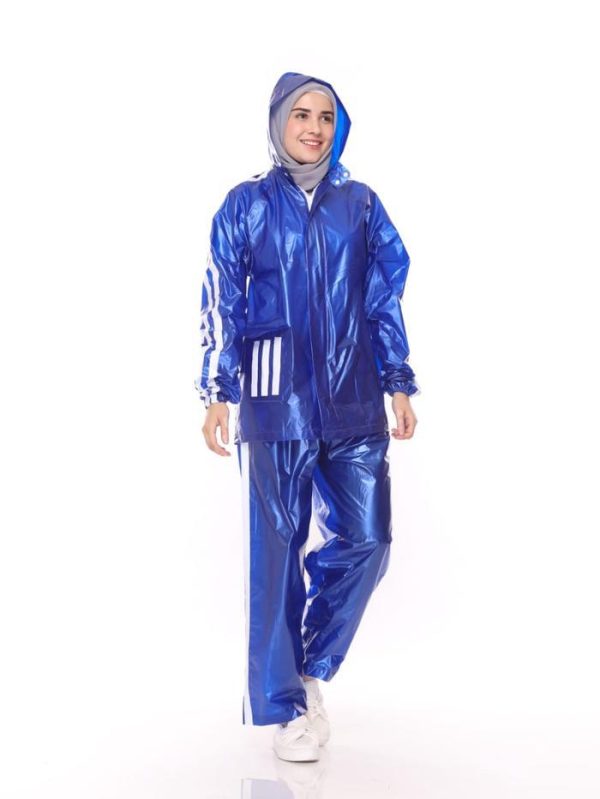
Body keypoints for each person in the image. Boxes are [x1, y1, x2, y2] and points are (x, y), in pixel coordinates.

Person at [194, 71, 420, 762]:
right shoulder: (246, 205)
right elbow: (221, 296)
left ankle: (308, 666)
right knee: (275, 554)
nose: (314, 128)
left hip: (355, 397)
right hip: (273, 398)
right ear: (278, 123)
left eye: (326, 116)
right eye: (302, 115)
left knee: (369, 539)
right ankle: (285, 705)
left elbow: (384, 296)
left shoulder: (361, 204)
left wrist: (398, 380)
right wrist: (217, 389)